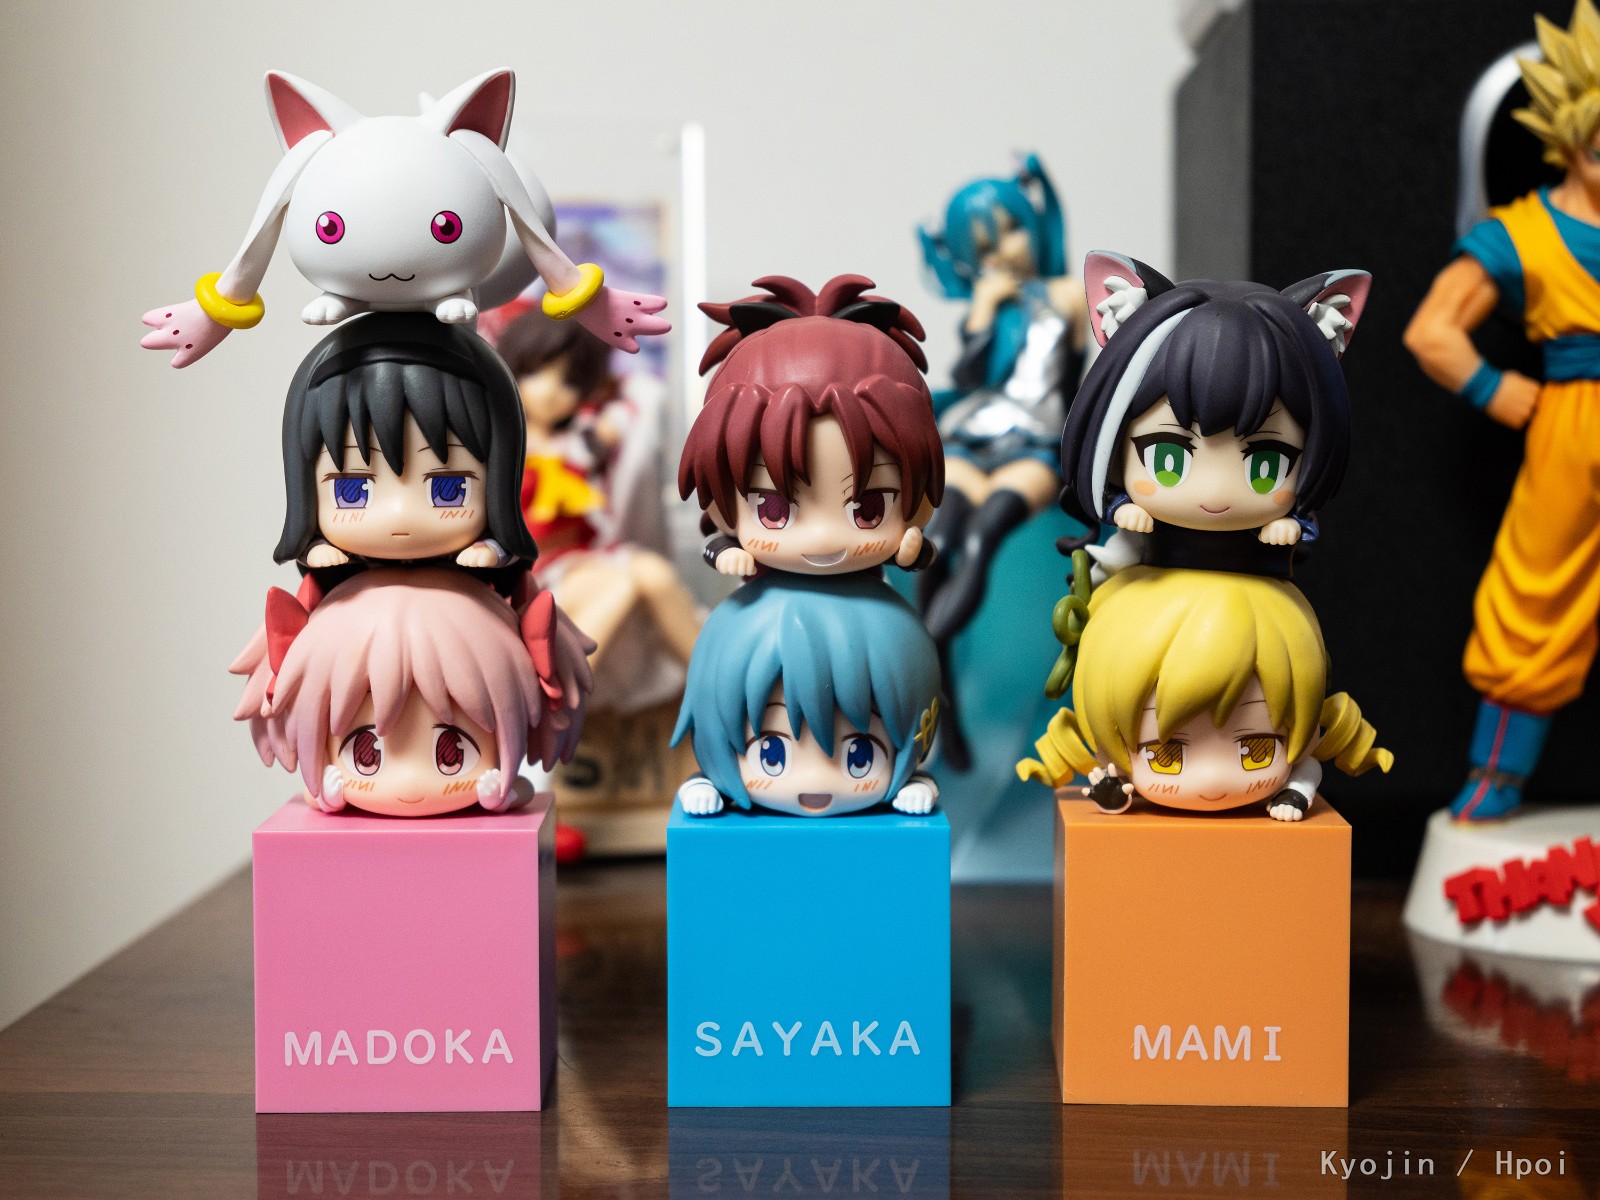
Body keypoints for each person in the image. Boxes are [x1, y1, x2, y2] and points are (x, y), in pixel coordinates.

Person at [1403, 0, 1600, 819]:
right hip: (1571, 429)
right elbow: (1431, 330)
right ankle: (1497, 774)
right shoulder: (1523, 233)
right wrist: (1492, 386)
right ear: (1570, 139)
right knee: (1534, 594)